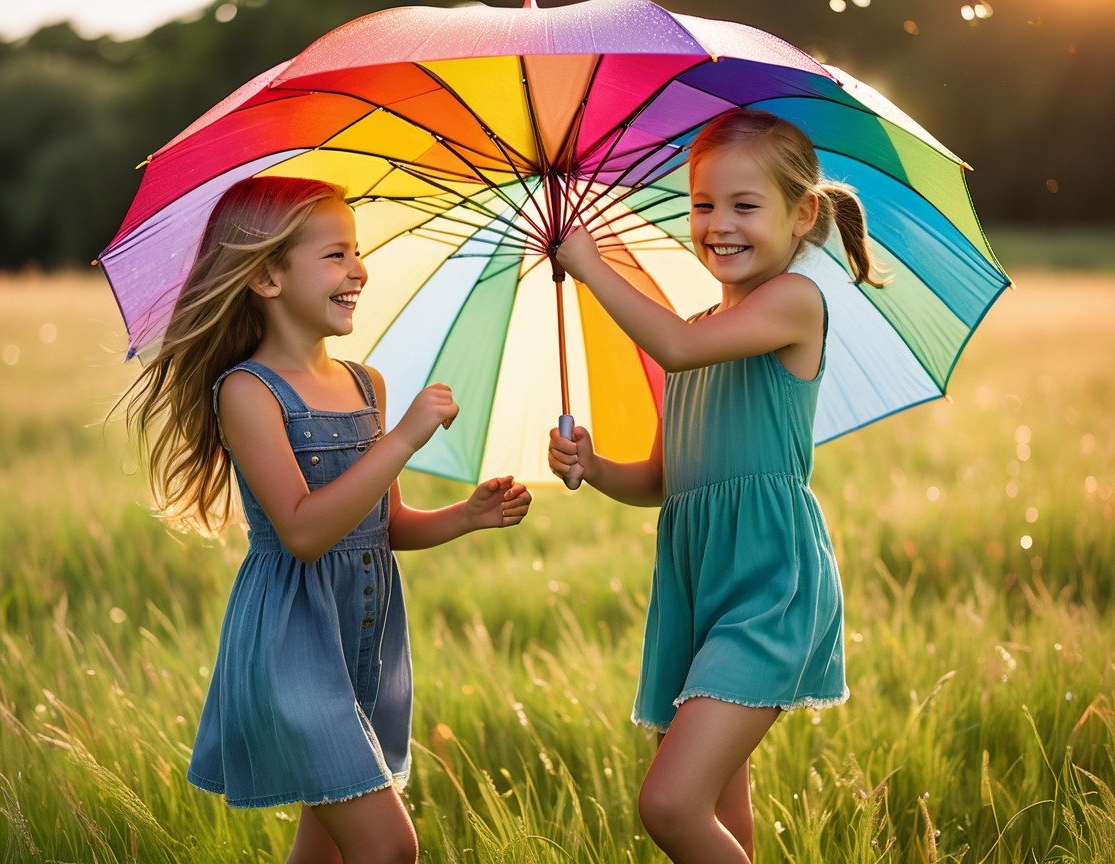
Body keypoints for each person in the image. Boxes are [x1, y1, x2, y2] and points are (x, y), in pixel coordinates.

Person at [121, 175, 531, 864]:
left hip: (362, 639)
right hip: (294, 645)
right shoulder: (249, 393)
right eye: (336, 254)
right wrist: (400, 440)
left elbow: (384, 526)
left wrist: (467, 516)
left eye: (357, 251)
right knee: (389, 847)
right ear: (266, 278)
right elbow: (305, 532)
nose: (359, 269)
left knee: (327, 852)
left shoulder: (366, 383)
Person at [549, 108, 878, 863]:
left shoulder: (792, 304)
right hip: (700, 586)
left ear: (801, 217)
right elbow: (666, 481)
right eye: (702, 205)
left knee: (670, 802)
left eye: (743, 205)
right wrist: (595, 467)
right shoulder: (695, 333)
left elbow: (676, 343)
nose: (717, 224)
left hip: (768, 585)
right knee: (722, 812)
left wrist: (593, 264)